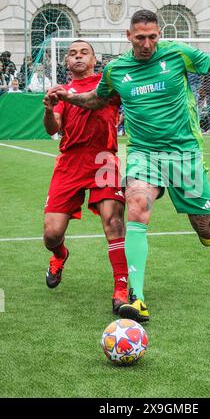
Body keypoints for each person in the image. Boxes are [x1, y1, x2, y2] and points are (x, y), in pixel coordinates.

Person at [45, 10, 210, 323]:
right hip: (144, 154)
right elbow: (96, 100)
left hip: (185, 154)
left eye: (152, 37)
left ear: (158, 35)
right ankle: (137, 297)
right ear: (128, 37)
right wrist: (69, 97)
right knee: (135, 204)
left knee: (206, 230)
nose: (147, 44)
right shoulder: (117, 70)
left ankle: (201, 223)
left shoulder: (177, 54)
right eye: (141, 38)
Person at [42, 40, 128, 315]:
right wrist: (48, 108)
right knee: (51, 234)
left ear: (94, 59)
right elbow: (52, 128)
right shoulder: (62, 91)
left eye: (84, 53)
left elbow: (101, 102)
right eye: (72, 54)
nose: (78, 57)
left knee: (113, 222)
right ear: (67, 63)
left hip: (104, 159)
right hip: (70, 162)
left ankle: (121, 289)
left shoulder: (109, 84)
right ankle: (60, 255)